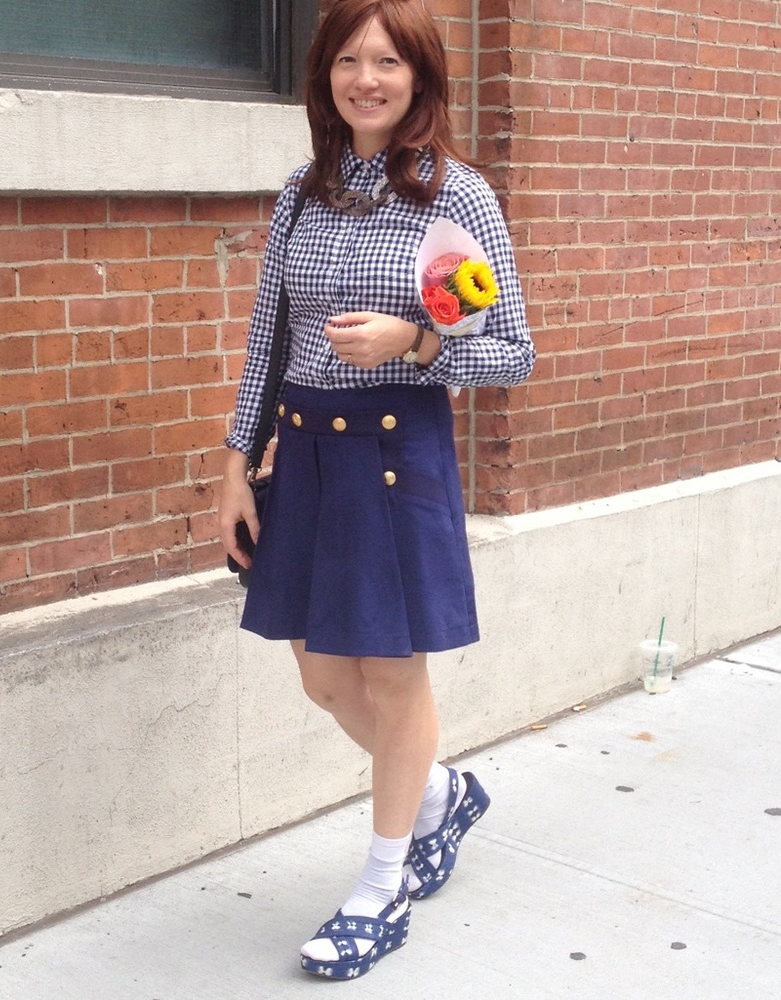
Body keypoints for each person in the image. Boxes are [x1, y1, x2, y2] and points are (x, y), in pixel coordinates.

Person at [217, 0, 534, 981]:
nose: (367, 77)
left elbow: (513, 350)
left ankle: (383, 880)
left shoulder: (457, 199)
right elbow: (270, 340)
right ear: (325, 77)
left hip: (396, 457)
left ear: (419, 77)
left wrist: (418, 341)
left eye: (387, 61)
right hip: (304, 457)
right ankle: (442, 793)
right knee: (321, 676)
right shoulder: (299, 195)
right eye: (349, 59)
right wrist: (236, 463)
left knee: (394, 681)